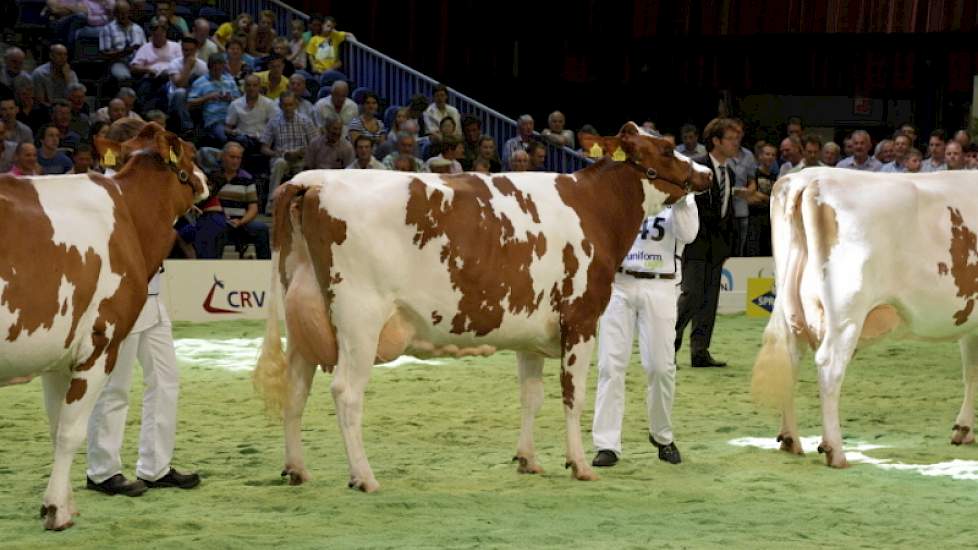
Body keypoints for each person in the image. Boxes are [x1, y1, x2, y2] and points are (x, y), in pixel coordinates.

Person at [591, 191, 699, 468]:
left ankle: (662, 436)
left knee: (661, 367)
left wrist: (680, 200)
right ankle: (607, 444)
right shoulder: (620, 192)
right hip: (620, 284)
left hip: (661, 285)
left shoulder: (682, 199)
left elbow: (689, 235)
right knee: (610, 365)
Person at [86, 263, 200, 495]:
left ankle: (155, 468)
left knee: (165, 381)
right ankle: (102, 471)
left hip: (153, 297)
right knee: (115, 386)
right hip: (121, 296)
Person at [675, 117, 737, 369]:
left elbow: (726, 210)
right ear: (716, 141)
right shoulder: (696, 167)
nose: (736, 144)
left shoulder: (729, 172)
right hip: (696, 243)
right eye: (731, 139)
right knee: (691, 296)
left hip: (717, 247)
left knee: (709, 301)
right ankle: (667, 348)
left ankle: (700, 351)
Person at [212, 142, 271, 259]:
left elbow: (253, 209)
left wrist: (241, 221)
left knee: (261, 228)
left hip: (241, 222)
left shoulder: (247, 180)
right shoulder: (213, 177)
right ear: (223, 157)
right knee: (214, 229)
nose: (235, 161)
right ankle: (213, 267)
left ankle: (266, 267)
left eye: (238, 158)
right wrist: (223, 219)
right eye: (232, 157)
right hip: (219, 221)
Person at [261, 91, 318, 212]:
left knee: (306, 166)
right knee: (279, 163)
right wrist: (276, 153)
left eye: (290, 105)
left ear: (295, 105)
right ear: (280, 106)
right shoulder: (274, 122)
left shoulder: (305, 121)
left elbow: (315, 144)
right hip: (282, 158)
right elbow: (264, 147)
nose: (288, 108)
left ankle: (306, 206)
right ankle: (272, 204)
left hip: (301, 158)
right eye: (285, 105)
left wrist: (302, 152)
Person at [188, 53, 240, 143]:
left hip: (233, 117)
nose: (217, 72)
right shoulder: (200, 82)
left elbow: (240, 101)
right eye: (215, 69)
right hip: (214, 119)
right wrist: (207, 97)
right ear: (209, 68)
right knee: (225, 138)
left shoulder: (230, 80)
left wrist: (230, 98)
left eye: (220, 69)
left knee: (243, 137)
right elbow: (189, 104)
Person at [225, 74, 280, 153]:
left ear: (259, 87)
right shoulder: (235, 104)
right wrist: (232, 132)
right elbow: (227, 127)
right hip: (242, 139)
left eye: (255, 85)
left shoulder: (269, 104)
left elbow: (274, 125)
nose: (251, 88)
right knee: (240, 141)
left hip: (261, 140)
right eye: (248, 85)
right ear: (244, 87)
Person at [166, 36, 207, 135]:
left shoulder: (202, 66)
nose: (188, 53)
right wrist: (187, 67)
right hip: (175, 100)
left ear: (196, 50)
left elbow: (205, 88)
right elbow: (180, 85)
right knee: (180, 92)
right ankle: (187, 127)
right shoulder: (174, 64)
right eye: (185, 50)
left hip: (195, 97)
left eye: (191, 50)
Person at [100, 0, 146, 83]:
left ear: (130, 13)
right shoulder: (107, 29)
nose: (122, 16)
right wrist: (127, 51)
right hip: (118, 63)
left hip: (138, 63)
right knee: (124, 77)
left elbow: (146, 50)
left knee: (150, 75)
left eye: (125, 13)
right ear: (115, 14)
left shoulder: (138, 29)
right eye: (119, 13)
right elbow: (105, 55)